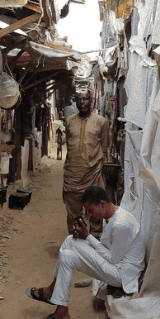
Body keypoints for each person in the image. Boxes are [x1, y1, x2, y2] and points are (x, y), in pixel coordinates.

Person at [26, 185, 144, 319]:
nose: (90, 215)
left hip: (122, 275)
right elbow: (107, 249)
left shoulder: (121, 224)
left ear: (102, 204)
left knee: (71, 241)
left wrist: (87, 236)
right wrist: (86, 237)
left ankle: (51, 290)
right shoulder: (111, 217)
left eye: (91, 210)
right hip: (115, 266)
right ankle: (61, 312)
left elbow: (113, 259)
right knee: (67, 256)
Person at [63, 94, 109, 235]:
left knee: (96, 213)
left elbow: (104, 149)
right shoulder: (69, 121)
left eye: (85, 99)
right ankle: (75, 243)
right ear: (75, 102)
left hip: (93, 174)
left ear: (91, 101)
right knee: (73, 215)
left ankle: (94, 242)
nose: (82, 102)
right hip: (72, 176)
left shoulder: (101, 122)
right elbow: (69, 145)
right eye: (79, 99)